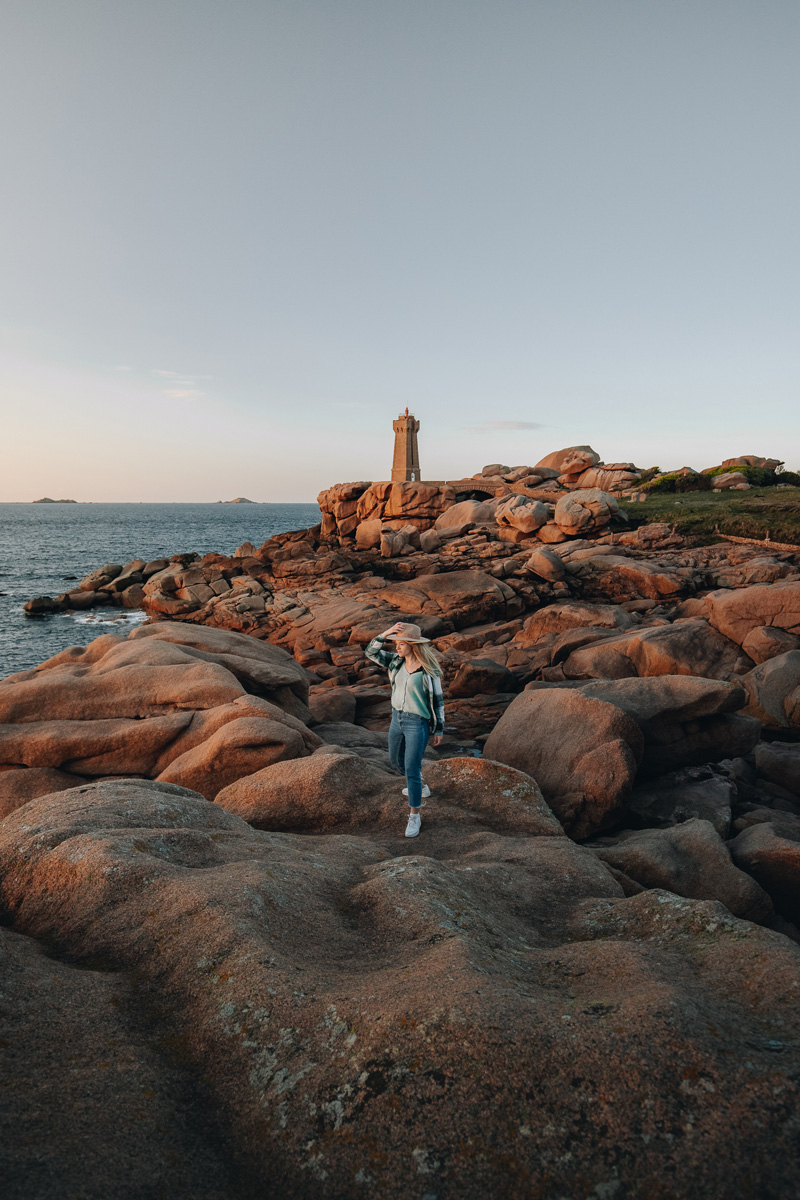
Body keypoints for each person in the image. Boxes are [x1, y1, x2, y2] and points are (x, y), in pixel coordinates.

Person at [364, 620, 445, 838]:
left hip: (416, 722)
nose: (396, 646)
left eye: (400, 643)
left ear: (413, 645)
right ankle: (420, 785)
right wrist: (386, 632)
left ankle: (415, 815)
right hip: (396, 719)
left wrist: (438, 729)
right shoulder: (395, 662)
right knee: (395, 760)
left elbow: (438, 701)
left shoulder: (429, 671)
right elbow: (370, 651)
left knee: (411, 768)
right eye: (396, 642)